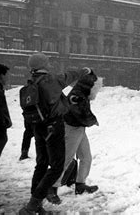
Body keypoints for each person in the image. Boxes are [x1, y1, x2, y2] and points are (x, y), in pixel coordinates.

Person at [19, 53, 91, 214]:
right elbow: (68, 76)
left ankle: (36, 204)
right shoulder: (51, 80)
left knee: (41, 164)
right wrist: (83, 71)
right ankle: (32, 205)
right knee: (57, 167)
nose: (50, 64)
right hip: (53, 127)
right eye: (47, 62)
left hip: (38, 127)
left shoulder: (32, 81)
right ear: (43, 65)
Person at [47, 72, 102, 204]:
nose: (97, 92)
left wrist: (90, 120)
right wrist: (92, 120)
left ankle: (80, 184)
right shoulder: (77, 95)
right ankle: (51, 188)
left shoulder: (82, 93)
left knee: (86, 157)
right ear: (90, 86)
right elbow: (79, 113)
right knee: (65, 159)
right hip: (72, 128)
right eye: (96, 88)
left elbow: (83, 111)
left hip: (79, 128)